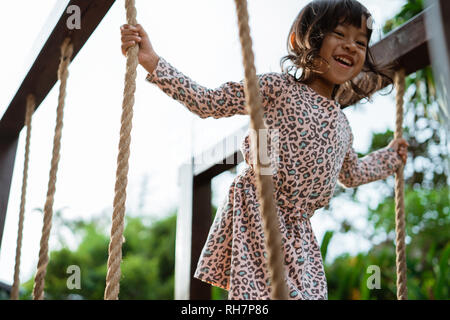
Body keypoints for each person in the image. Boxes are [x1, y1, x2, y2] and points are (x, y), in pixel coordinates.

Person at [120, 0, 409, 300]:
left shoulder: (343, 126)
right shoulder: (277, 89)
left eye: (360, 42)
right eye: (340, 34)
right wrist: (153, 61)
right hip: (261, 211)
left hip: (300, 236)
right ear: (306, 39)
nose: (351, 46)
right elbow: (209, 102)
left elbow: (352, 173)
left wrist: (390, 157)